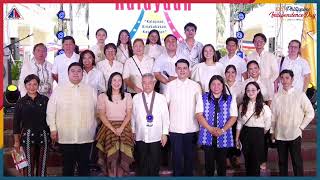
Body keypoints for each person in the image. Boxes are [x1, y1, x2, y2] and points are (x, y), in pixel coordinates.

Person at [47, 62, 97, 176]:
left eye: (79, 71)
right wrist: (53, 129)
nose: (76, 73)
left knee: (84, 167)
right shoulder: (59, 90)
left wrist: (92, 127)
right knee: (67, 167)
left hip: (86, 136)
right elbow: (50, 111)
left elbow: (97, 111)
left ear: (82, 74)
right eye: (72, 71)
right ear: (68, 73)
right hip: (65, 136)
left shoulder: (90, 90)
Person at [270, 69, 314, 176]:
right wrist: (272, 132)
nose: (284, 81)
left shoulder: (300, 95)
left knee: (297, 162)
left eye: (287, 78)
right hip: (280, 134)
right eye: (282, 78)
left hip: (295, 133)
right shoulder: (276, 96)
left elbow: (310, 113)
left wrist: (301, 127)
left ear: (292, 79)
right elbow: (273, 116)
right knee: (282, 162)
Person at [164, 59, 203, 176]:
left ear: (189, 70)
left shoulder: (196, 86)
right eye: (179, 68)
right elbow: (165, 107)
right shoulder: (169, 86)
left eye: (184, 68)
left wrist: (201, 127)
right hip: (175, 128)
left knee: (190, 159)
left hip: (191, 128)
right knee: (176, 158)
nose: (182, 70)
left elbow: (200, 108)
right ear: (176, 70)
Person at [196, 75, 238, 176]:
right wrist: (210, 129)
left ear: (223, 86)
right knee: (208, 166)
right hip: (207, 135)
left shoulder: (230, 99)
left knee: (222, 166)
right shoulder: (203, 98)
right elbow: (199, 115)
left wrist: (222, 130)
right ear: (210, 86)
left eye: (219, 84)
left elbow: (234, 117)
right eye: (213, 84)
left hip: (223, 135)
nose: (216, 86)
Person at [95, 72, 134, 176]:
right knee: (113, 154)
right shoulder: (103, 96)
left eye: (119, 80)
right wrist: (113, 129)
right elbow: (102, 115)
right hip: (108, 127)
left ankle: (120, 175)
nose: (117, 83)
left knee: (122, 153)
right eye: (114, 80)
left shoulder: (127, 95)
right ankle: (111, 175)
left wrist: (121, 128)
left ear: (122, 82)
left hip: (124, 126)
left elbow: (129, 114)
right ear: (110, 82)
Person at [132, 73, 170, 176]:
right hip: (140, 135)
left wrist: (165, 134)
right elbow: (132, 116)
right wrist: (133, 131)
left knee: (155, 162)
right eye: (144, 83)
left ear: (154, 83)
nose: (147, 85)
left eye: (150, 83)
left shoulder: (161, 98)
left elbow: (165, 117)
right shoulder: (136, 98)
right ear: (141, 84)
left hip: (156, 135)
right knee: (141, 162)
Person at [13, 74, 50, 176]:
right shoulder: (20, 102)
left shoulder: (45, 100)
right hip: (27, 137)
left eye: (35, 84)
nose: (32, 87)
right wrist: (16, 141)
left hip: (44, 137)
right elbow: (16, 124)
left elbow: (51, 118)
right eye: (29, 84)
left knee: (42, 166)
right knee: (28, 167)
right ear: (25, 86)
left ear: (38, 85)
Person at [235, 82, 272, 176]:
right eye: (248, 90)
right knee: (247, 162)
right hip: (245, 134)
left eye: (253, 90)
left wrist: (259, 134)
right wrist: (237, 138)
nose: (250, 92)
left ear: (258, 91)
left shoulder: (264, 107)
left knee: (255, 163)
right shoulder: (242, 106)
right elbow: (239, 122)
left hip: (258, 135)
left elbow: (267, 125)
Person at [224, 65, 243, 168]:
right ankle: (227, 158)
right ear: (225, 74)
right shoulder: (221, 85)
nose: (230, 74)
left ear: (236, 74)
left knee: (237, 136)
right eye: (228, 72)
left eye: (233, 72)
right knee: (226, 136)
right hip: (225, 116)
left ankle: (236, 156)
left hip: (238, 115)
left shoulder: (241, 85)